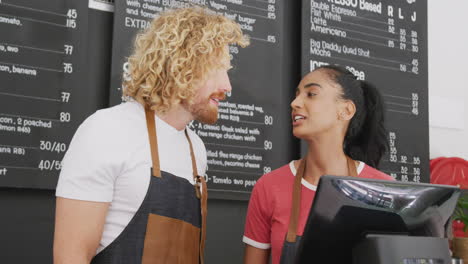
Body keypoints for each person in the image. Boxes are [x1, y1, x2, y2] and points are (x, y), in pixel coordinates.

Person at [54, 7, 248, 264]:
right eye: (217, 69)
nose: (227, 86)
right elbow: (71, 257)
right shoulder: (106, 130)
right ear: (181, 65)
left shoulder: (196, 150)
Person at [242, 65, 395, 264]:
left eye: (311, 94)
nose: (295, 103)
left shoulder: (384, 189)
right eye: (297, 95)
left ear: (346, 110)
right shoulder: (269, 187)